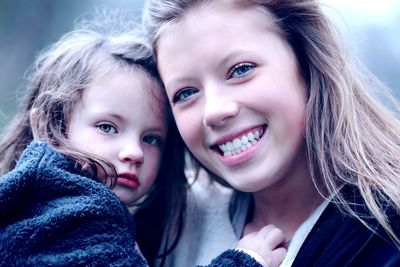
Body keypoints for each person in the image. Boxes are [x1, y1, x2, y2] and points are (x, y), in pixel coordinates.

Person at [0, 11, 286, 267]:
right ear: (48, 125)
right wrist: (246, 261)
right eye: (107, 127)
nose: (133, 152)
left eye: (151, 139)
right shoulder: (74, 215)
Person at [142, 0, 400, 266]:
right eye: (185, 93)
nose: (214, 111)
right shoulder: (164, 229)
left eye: (241, 70)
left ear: (305, 64)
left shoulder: (388, 238)